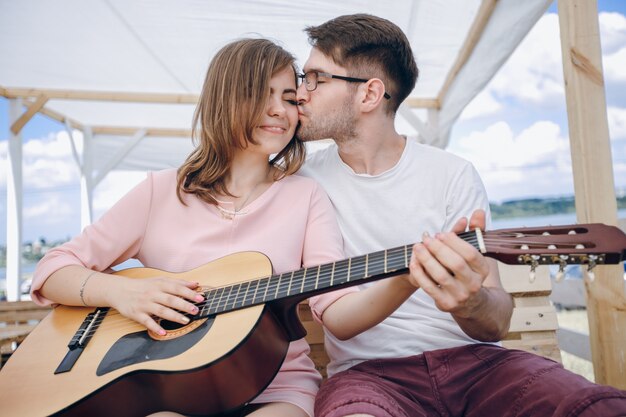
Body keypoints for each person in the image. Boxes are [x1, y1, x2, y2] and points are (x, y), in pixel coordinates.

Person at [30, 38, 416, 417]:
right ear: (226, 98)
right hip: (165, 390)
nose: (280, 109)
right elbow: (52, 270)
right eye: (262, 94)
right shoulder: (160, 190)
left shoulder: (306, 196)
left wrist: (405, 278)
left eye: (288, 97)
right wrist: (123, 291)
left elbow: (334, 306)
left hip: (276, 386)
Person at [297, 13, 626, 417]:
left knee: (599, 407)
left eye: (315, 78)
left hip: (479, 366)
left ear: (369, 95)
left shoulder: (453, 174)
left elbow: (496, 324)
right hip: (369, 377)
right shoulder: (304, 182)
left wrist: (470, 303)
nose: (300, 92)